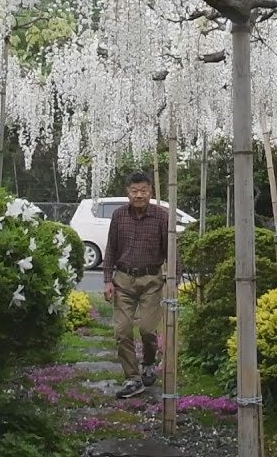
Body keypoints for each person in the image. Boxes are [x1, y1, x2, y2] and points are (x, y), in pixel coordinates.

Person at [102, 171, 168, 399]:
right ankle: (132, 378)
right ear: (127, 193)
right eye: (134, 191)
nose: (139, 195)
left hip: (151, 280)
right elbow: (110, 248)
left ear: (151, 192)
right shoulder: (119, 216)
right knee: (122, 331)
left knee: (148, 330)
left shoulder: (161, 216)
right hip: (123, 279)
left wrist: (174, 282)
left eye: (143, 191)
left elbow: (172, 251)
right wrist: (107, 280)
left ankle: (149, 362)